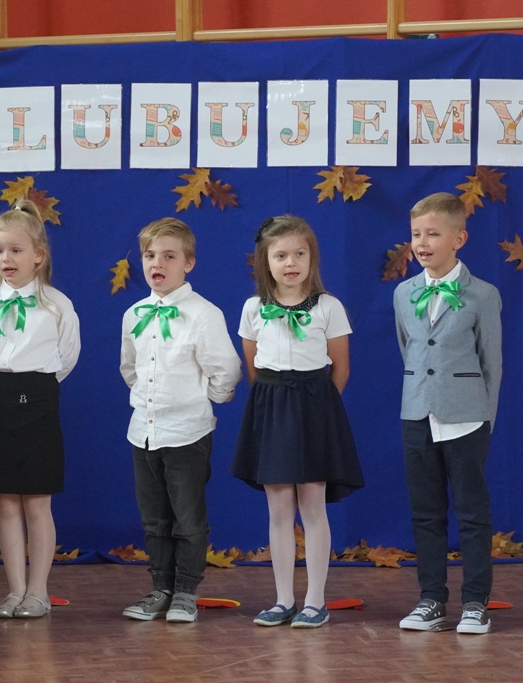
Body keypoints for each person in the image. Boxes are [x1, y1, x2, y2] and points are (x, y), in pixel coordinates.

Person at [230, 215, 364, 629]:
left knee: (312, 503)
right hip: (272, 406)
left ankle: (315, 601)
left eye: (299, 254)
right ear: (265, 261)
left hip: (314, 406)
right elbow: (253, 368)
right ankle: (283, 599)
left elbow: (340, 368)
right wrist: (276, 403)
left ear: (312, 258)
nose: (291, 263)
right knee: (278, 508)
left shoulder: (328, 307)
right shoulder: (253, 308)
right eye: (281, 255)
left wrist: (316, 407)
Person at [120, 217, 241, 624]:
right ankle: (161, 587)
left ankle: (186, 591)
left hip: (187, 433)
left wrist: (203, 401)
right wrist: (150, 400)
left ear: (188, 263)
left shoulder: (203, 314)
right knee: (155, 518)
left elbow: (225, 368)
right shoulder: (134, 314)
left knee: (188, 519)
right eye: (150, 255)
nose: (157, 263)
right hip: (143, 432)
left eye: (169, 256)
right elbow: (130, 367)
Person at [393, 192, 502, 635]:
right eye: (416, 234)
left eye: (433, 234)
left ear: (459, 238)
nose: (422, 243)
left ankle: (475, 602)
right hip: (417, 412)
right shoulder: (404, 293)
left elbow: (492, 363)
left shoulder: (482, 294)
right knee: (426, 512)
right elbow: (409, 348)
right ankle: (431, 600)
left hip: (466, 417)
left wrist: (485, 420)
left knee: (472, 513)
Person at [0, 200, 80, 620]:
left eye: (16, 250)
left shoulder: (56, 305)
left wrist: (35, 387)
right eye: (0, 250)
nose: (7, 258)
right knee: (6, 502)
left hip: (39, 397)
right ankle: (15, 590)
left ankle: (38, 592)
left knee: (36, 501)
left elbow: (66, 357)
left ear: (38, 254)